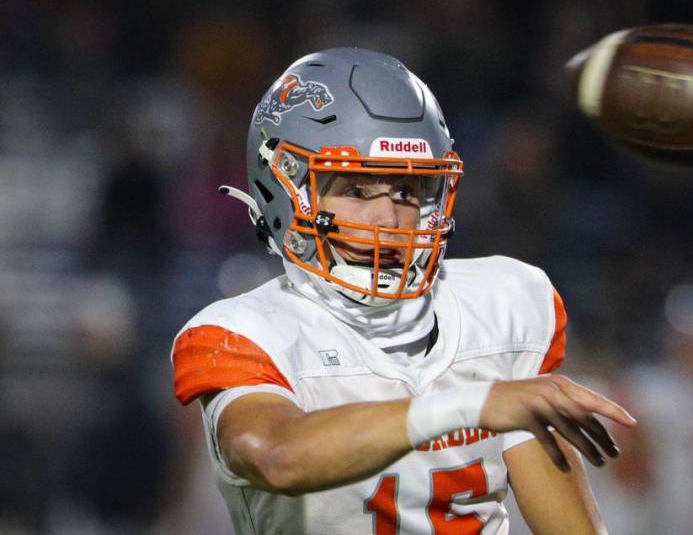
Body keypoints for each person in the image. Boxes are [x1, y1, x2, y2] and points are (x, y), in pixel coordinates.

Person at [170, 47, 635, 534]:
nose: (389, 219)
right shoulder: (241, 333)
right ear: (286, 190)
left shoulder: (505, 305)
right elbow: (276, 456)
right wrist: (469, 405)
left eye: (407, 192)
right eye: (356, 191)